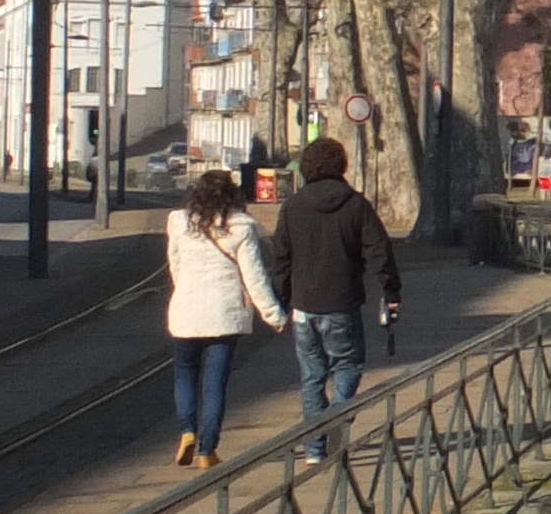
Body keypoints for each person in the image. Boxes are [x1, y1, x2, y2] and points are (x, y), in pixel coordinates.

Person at [273, 135, 403, 427]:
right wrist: (390, 290)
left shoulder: (293, 206)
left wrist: (281, 299)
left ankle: (314, 447)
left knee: (312, 376)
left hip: (304, 305)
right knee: (348, 365)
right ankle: (337, 419)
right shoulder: (355, 205)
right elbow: (379, 250)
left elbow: (281, 257)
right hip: (342, 302)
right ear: (341, 165)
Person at [163, 168, 287, 466]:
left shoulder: (179, 222)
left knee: (185, 375)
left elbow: (175, 264)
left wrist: (185, 292)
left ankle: (187, 432)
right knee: (215, 383)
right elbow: (254, 277)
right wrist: (275, 315)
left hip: (186, 311)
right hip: (224, 314)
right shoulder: (241, 227)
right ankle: (208, 449)